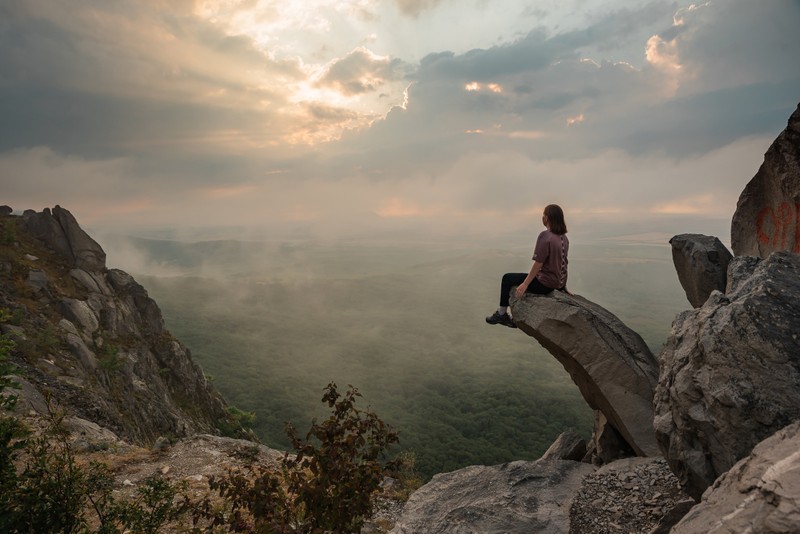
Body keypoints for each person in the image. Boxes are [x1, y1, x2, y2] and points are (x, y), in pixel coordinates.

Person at [486, 204, 570, 328]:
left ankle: (502, 314)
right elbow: (562, 262)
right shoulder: (564, 238)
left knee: (507, 278)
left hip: (545, 284)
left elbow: (538, 263)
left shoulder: (545, 236)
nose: (543, 217)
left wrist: (525, 284)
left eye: (544, 215)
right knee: (513, 277)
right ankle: (502, 313)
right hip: (557, 283)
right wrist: (562, 285)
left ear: (548, 218)